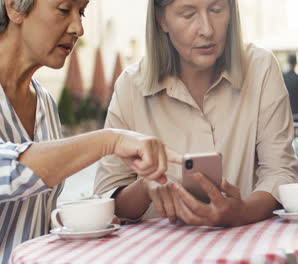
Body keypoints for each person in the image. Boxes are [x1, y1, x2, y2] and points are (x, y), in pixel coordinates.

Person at [0, 0, 179, 262]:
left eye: (81, 12)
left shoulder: (46, 103)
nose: (78, 28)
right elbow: (7, 172)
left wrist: (83, 225)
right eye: (64, 10)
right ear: (15, 7)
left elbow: (33, 217)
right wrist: (110, 140)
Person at [94, 0, 298, 227]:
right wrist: (145, 187)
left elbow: (281, 173)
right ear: (161, 20)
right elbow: (107, 200)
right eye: (188, 14)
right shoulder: (130, 87)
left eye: (216, 10)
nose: (207, 29)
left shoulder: (261, 68)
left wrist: (242, 212)